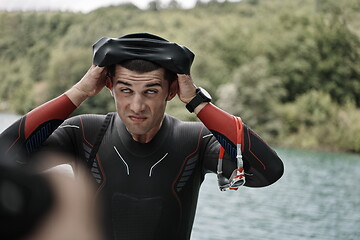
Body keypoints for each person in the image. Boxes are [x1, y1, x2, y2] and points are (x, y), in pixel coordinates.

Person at [0, 32, 284, 240]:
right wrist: (80, 92)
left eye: (150, 91)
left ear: (172, 92)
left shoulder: (194, 141)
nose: (136, 106)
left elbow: (267, 172)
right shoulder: (85, 134)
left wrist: (197, 101)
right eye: (125, 90)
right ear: (108, 86)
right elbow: (6, 155)